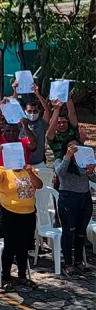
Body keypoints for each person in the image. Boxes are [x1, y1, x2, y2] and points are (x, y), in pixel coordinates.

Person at [0, 143, 43, 289]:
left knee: (24, 247)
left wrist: (31, 172)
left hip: (29, 213)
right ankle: (5, 277)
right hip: (10, 213)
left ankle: (22, 276)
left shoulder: (29, 169)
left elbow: (39, 185)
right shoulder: (4, 171)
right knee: (10, 246)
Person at [54, 140, 96, 276]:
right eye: (70, 147)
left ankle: (79, 261)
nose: (74, 149)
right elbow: (60, 172)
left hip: (84, 198)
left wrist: (90, 172)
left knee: (80, 232)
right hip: (68, 199)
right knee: (68, 231)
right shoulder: (60, 160)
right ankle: (67, 263)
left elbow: (94, 179)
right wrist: (68, 156)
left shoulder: (83, 162)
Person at [13, 83, 50, 166]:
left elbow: (47, 110)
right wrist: (15, 90)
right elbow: (13, 105)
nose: (32, 114)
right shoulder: (20, 122)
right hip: (22, 163)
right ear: (25, 111)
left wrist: (38, 94)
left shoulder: (42, 123)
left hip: (39, 163)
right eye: (29, 111)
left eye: (35, 111)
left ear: (39, 112)